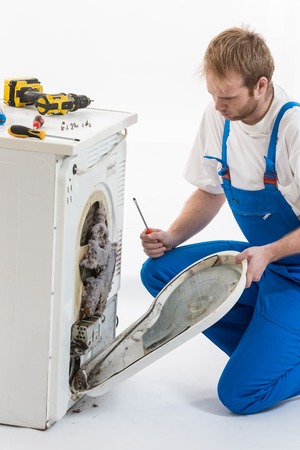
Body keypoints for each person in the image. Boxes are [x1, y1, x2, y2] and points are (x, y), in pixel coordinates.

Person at [139, 26, 300, 415]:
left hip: (293, 273)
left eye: (226, 96)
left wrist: (269, 253)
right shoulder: (220, 117)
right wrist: (172, 235)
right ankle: (266, 347)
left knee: (239, 394)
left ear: (260, 85)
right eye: (212, 94)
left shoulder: (293, 129)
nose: (217, 105)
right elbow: (211, 190)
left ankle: (275, 352)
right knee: (160, 273)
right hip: (263, 265)